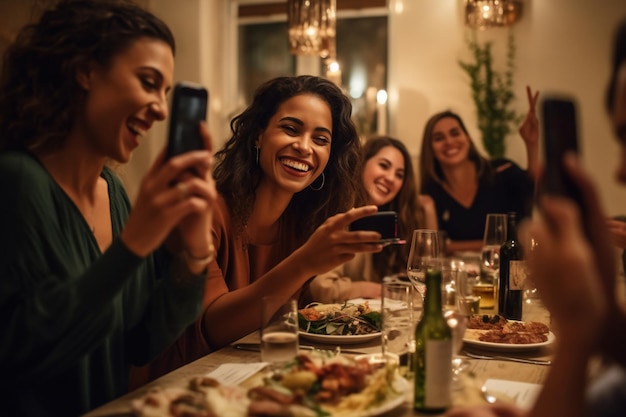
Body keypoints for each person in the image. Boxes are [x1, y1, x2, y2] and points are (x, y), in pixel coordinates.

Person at [0, 1, 217, 416]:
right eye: (148, 82)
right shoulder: (17, 182)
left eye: (167, 93)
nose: (161, 109)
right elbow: (22, 353)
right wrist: (134, 243)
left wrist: (193, 252)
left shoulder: (113, 192)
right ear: (86, 71)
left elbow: (141, 343)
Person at [129, 75, 385, 387]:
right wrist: (305, 263)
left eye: (320, 139)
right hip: (183, 391)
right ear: (258, 135)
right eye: (290, 129)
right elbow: (214, 329)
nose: (304, 147)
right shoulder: (204, 211)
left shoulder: (302, 222)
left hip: (252, 383)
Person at [443, 18, 626, 417]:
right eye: (621, 139)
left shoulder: (500, 172)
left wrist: (576, 325)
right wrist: (603, 312)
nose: (618, 172)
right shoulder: (431, 193)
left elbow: (529, 200)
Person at [308, 135, 438, 303]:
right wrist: (369, 288)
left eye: (399, 175)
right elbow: (322, 288)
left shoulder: (387, 222)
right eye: (384, 166)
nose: (391, 178)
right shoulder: (339, 215)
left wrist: (428, 210)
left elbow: (426, 274)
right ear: (362, 163)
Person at [418, 87, 540, 254]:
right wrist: (496, 245)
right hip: (461, 278)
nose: (449, 142)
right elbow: (433, 249)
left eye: (455, 133)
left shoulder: (502, 171)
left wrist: (532, 144)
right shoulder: (432, 193)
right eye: (439, 138)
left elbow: (536, 192)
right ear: (430, 149)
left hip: (510, 272)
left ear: (467, 138)